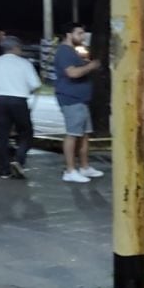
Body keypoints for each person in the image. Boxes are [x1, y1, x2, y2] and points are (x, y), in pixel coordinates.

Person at [0, 36, 41, 179]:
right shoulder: (25, 64)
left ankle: (3, 170)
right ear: (15, 48)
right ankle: (18, 159)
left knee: (2, 135)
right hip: (19, 101)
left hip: (0, 101)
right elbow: (35, 84)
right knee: (26, 132)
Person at [53, 23, 103, 183]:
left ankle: (84, 167)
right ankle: (70, 170)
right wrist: (91, 66)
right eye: (79, 33)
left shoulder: (73, 51)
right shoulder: (64, 51)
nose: (82, 37)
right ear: (69, 34)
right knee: (72, 135)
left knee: (84, 135)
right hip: (71, 99)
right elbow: (72, 73)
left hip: (80, 100)